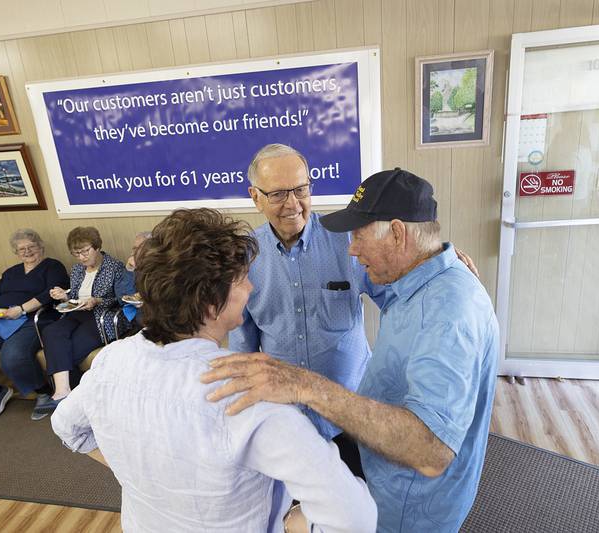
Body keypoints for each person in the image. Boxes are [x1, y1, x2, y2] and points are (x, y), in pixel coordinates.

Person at [203, 169, 499, 532]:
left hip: (405, 509)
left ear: (397, 233)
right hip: (374, 466)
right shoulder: (418, 279)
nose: (352, 248)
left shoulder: (447, 312)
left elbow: (430, 450)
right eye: (278, 194)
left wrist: (305, 386)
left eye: (359, 235)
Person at [51, 209, 377, 532]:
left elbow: (66, 427)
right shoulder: (250, 399)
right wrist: (297, 522)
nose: (251, 287)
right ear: (212, 304)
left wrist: (141, 478)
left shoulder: (111, 361)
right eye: (242, 279)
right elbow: (357, 518)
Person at [229, 143, 478, 477]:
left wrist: (441, 271)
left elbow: (402, 298)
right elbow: (243, 346)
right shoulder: (243, 257)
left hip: (351, 414)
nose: (292, 204)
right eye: (277, 195)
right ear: (255, 197)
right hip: (282, 419)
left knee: (360, 507)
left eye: (301, 190)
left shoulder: (350, 242)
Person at [0, 228, 69, 420]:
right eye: (21, 249)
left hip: (33, 318)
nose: (27, 252)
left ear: (41, 247)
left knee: (13, 356)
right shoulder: (11, 272)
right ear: (16, 252)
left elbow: (49, 294)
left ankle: (42, 392)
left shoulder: (53, 266)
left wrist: (21, 309)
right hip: (1, 319)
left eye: (31, 247)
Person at [36, 226, 126, 417]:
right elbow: (74, 296)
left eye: (85, 251)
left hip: (103, 316)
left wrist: (97, 300)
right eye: (77, 253)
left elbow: (120, 298)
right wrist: (63, 296)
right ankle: (65, 394)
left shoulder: (115, 267)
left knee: (71, 348)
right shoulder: (77, 269)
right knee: (52, 331)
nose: (82, 257)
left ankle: (69, 397)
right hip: (76, 312)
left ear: (97, 247)